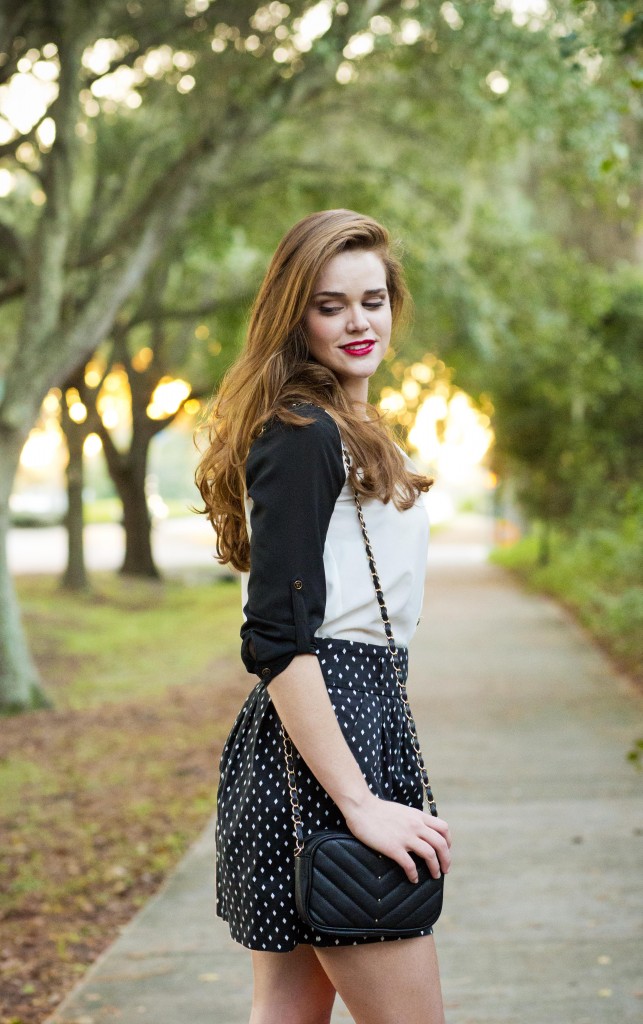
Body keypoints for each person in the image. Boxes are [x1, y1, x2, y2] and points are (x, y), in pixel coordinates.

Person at [196, 209, 452, 1024]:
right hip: (324, 745)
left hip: (330, 735)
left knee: (287, 1014)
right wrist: (360, 801)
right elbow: (276, 639)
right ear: (292, 314)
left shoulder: (341, 425)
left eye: (371, 300)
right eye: (329, 303)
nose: (356, 322)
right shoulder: (303, 433)